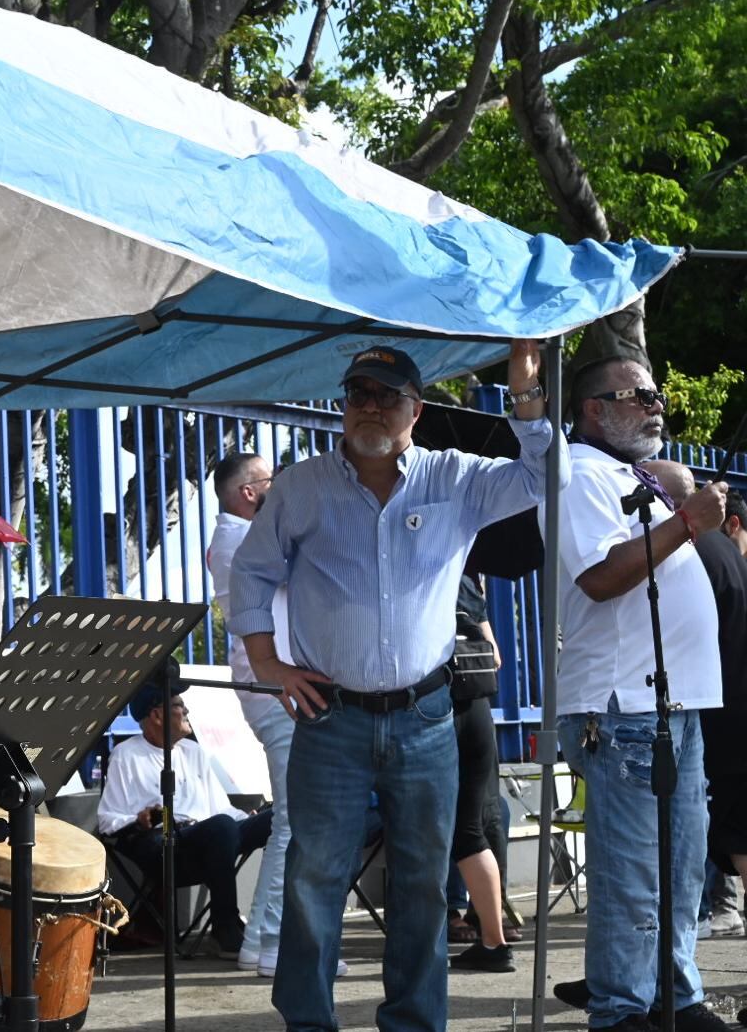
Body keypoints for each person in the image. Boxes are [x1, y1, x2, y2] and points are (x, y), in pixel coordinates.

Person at [230, 340, 559, 1032]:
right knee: (314, 881)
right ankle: (309, 1023)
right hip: (331, 718)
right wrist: (268, 664)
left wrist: (524, 389)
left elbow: (541, 476)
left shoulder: (456, 476)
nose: (369, 407)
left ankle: (413, 1023)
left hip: (426, 718)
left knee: (421, 887)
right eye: (357, 394)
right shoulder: (301, 486)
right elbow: (252, 572)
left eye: (385, 395)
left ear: (416, 407)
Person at [552, 360, 731, 1032]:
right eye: (638, 396)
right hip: (622, 705)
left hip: (673, 704)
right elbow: (599, 576)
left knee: (682, 868)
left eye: (658, 396)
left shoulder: (634, 477)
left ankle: (673, 995)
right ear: (595, 409)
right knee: (634, 873)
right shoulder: (579, 473)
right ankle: (623, 1008)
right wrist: (686, 522)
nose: (656, 406)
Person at [206, 451, 306, 975]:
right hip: (273, 691)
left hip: (275, 688)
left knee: (296, 818)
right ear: (249, 492)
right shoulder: (236, 540)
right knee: (294, 819)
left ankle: (262, 942)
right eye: (272, 480)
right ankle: (271, 940)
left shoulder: (241, 535)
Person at [644, 463, 747, 943]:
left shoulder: (689, 551)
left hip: (721, 720)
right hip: (730, 714)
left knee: (731, 841)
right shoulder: (722, 546)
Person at [97, 678, 272, 958]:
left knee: (280, 817)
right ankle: (224, 925)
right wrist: (139, 818)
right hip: (165, 839)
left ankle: (279, 921)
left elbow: (219, 808)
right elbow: (108, 820)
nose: (187, 710)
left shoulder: (194, 751)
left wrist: (246, 817)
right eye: (179, 705)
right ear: (156, 715)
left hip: (215, 833)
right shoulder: (125, 755)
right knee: (222, 827)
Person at [446, 574, 514, 972]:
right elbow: (495, 656)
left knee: (422, 827)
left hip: (437, 710)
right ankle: (494, 940)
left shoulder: (418, 577)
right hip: (478, 712)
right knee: (469, 829)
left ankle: (422, 941)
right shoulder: (467, 584)